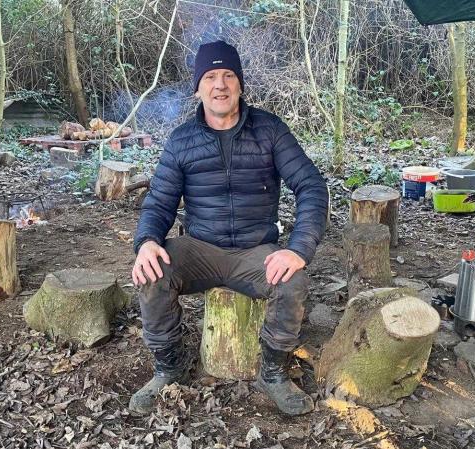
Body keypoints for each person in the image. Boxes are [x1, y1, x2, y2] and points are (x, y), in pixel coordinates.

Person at [129, 40, 328, 416]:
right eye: (210, 77)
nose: (219, 84)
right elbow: (159, 202)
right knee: (152, 272)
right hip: (200, 249)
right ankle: (168, 368)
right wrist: (146, 242)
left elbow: (311, 186)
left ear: (240, 84)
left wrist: (298, 248)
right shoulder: (181, 141)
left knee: (293, 281)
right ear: (197, 88)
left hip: (255, 251)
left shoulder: (269, 130)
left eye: (228, 75)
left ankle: (272, 373)